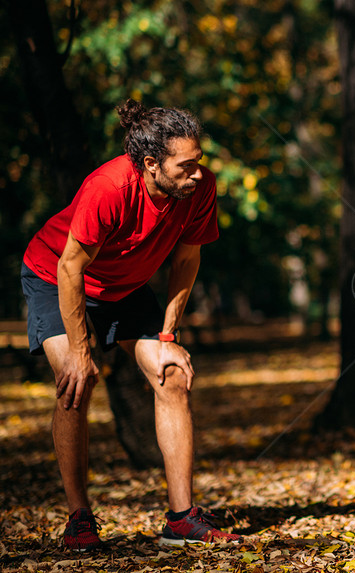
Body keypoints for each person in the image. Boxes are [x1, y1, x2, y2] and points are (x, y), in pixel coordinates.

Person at [21, 100, 242, 551]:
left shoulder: (198, 189)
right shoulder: (108, 187)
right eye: (186, 166)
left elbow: (187, 257)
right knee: (75, 382)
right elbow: (70, 268)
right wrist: (82, 353)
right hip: (57, 277)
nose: (197, 173)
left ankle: (181, 518)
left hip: (126, 288)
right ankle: (79, 518)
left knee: (172, 375)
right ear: (151, 164)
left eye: (199, 162)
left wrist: (168, 335)